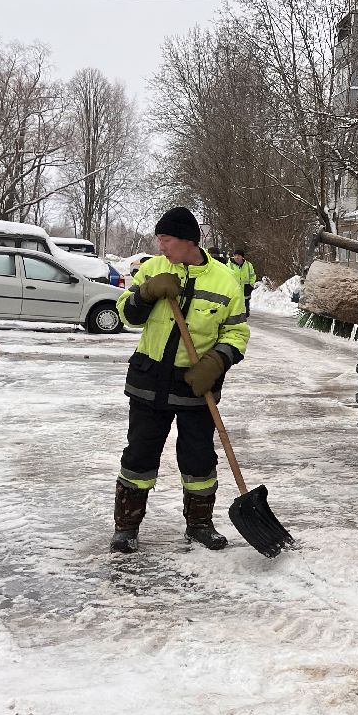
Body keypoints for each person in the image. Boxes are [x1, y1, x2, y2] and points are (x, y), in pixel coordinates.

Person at [111, 207, 249, 553]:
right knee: (139, 456)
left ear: (188, 240)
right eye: (159, 239)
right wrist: (145, 294)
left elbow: (236, 331)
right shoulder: (152, 269)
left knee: (199, 460)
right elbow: (125, 315)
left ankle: (200, 525)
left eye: (166, 239)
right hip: (149, 380)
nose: (161, 247)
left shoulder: (223, 280)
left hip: (195, 385)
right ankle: (126, 527)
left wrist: (218, 361)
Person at [229, 249, 257, 313]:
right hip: (233, 290)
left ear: (242, 257)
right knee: (234, 309)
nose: (236, 257)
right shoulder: (229, 265)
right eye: (235, 255)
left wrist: (251, 285)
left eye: (238, 255)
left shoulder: (248, 265)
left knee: (245, 310)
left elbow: (252, 275)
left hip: (246, 290)